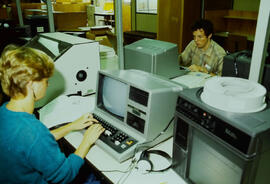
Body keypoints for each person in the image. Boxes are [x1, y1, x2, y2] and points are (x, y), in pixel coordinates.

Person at [0, 45, 105, 184]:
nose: (48, 85)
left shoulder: (4, 111)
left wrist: (71, 126)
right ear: (31, 85)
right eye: (45, 80)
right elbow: (65, 175)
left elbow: (34, 144)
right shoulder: (33, 131)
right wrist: (86, 141)